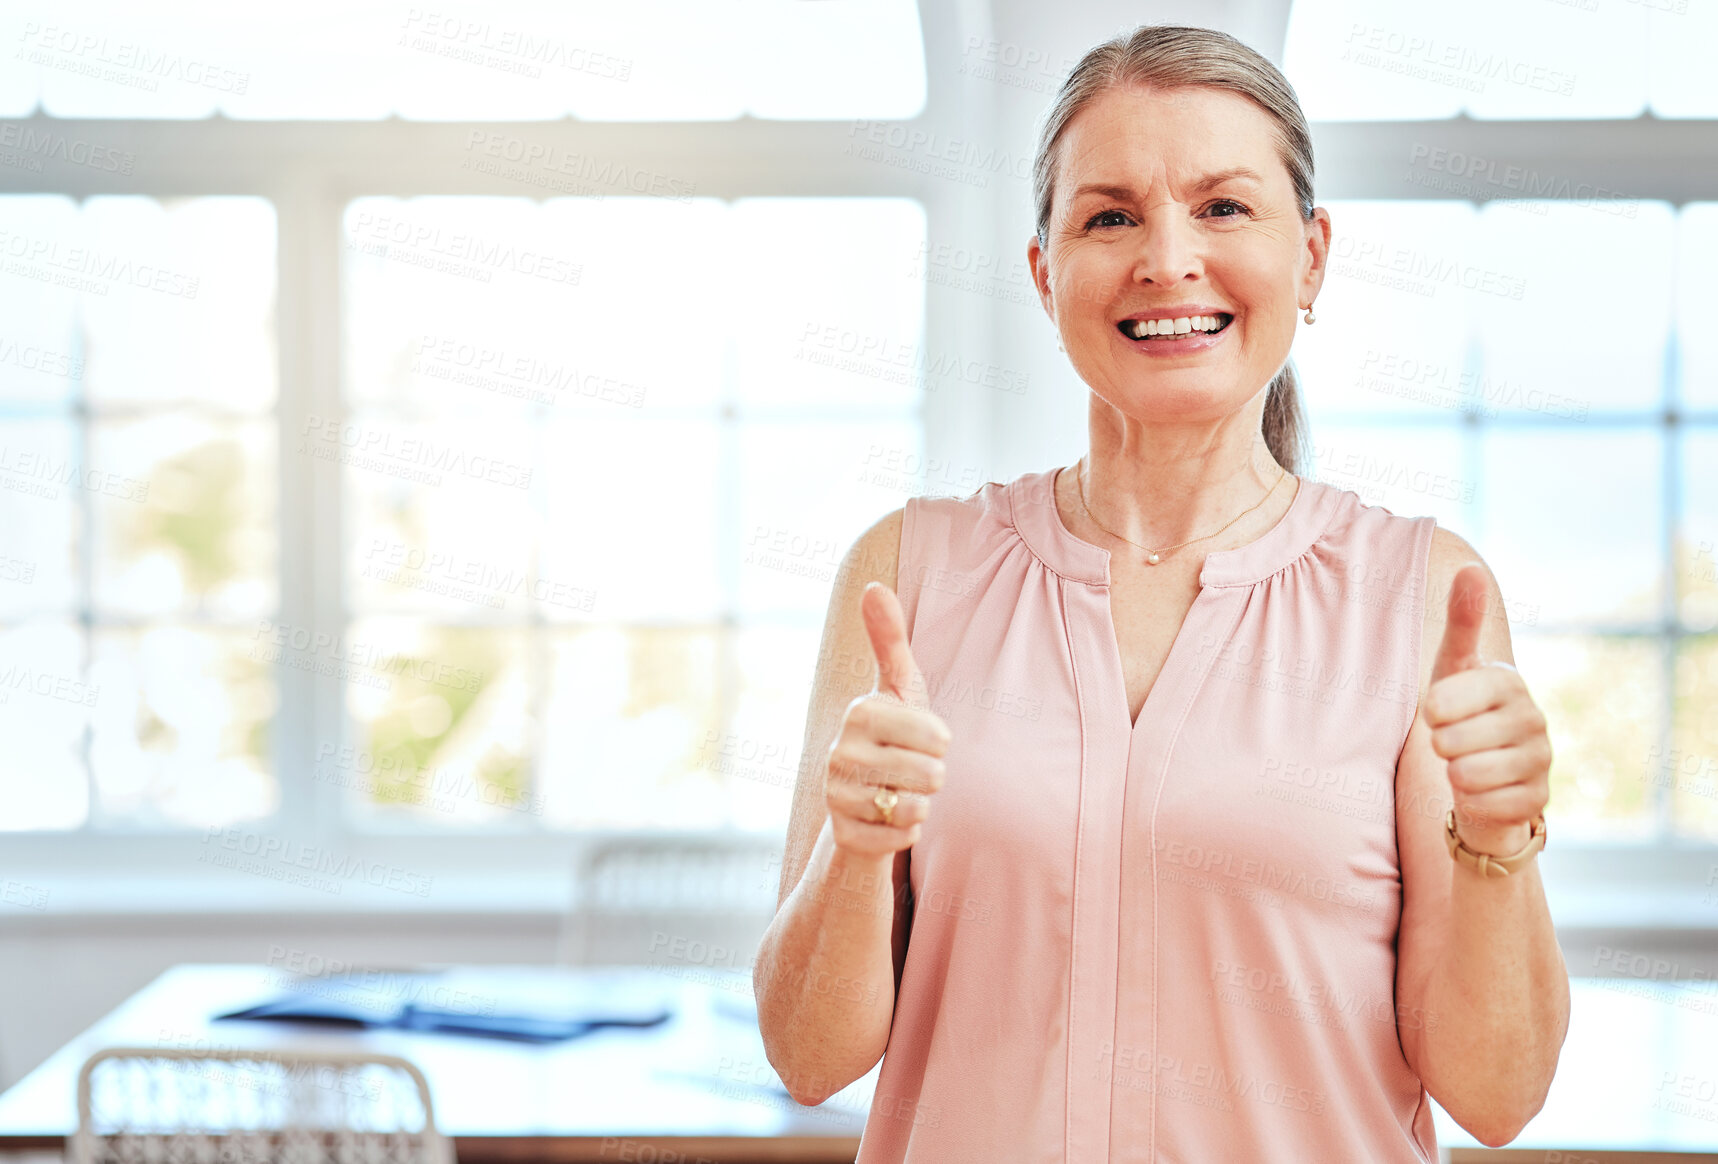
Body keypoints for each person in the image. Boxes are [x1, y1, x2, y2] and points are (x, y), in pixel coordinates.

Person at [753, 23, 1569, 1162]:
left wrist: (1496, 842)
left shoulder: (1423, 597)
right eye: (1110, 215)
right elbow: (805, 1056)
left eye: (1224, 207)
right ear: (1045, 273)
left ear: (1312, 258)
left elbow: (1498, 1098)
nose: (1167, 258)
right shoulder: (903, 577)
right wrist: (853, 849)